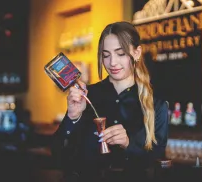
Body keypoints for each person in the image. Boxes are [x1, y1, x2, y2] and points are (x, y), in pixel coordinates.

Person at [51, 21, 169, 182]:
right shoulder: (86, 96)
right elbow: (58, 156)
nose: (112, 62)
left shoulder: (157, 104)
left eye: (120, 54)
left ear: (136, 53)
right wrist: (72, 118)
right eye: (106, 55)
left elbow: (158, 162)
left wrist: (129, 144)